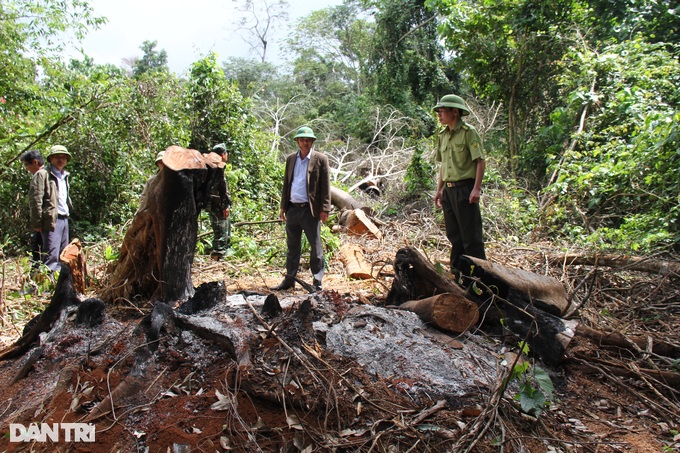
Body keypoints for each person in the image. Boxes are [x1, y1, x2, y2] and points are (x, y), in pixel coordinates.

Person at [271, 126, 331, 291]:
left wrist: (325, 208)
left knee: (315, 247)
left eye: (308, 140)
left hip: (310, 210)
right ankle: (289, 279)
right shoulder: (291, 159)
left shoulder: (320, 159)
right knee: (292, 247)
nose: (305, 142)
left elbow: (325, 186)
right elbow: (287, 184)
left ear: (312, 141)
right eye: (302, 139)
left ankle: (317, 282)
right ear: (297, 141)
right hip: (293, 209)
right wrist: (283, 206)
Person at [432, 95, 486, 274]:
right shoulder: (443, 135)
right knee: (455, 238)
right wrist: (439, 190)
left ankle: (481, 281)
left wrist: (476, 188)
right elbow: (443, 165)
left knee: (471, 240)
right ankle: (458, 277)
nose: (439, 115)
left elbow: (480, 161)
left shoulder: (468, 132)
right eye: (438, 111)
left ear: (455, 112)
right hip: (449, 191)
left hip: (465, 190)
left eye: (442, 111)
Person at [28, 145, 73, 272]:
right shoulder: (42, 174)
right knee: (51, 256)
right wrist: (37, 223)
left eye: (64, 157)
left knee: (63, 255)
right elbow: (35, 199)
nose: (61, 160)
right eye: (57, 157)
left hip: (64, 218)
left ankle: (58, 288)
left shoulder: (64, 175)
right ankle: (47, 288)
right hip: (51, 220)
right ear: (51, 159)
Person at [20, 150, 46, 269]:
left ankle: (38, 277)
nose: (26, 169)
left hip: (44, 220)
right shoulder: (51, 173)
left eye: (26, 165)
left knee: (39, 249)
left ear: (35, 162)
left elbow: (36, 200)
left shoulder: (39, 175)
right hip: (52, 218)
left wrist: (37, 222)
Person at [207, 143, 231, 260]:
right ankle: (218, 259)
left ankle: (220, 257)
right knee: (220, 233)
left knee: (222, 232)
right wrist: (224, 205)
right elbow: (219, 190)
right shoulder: (217, 168)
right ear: (223, 154)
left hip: (214, 205)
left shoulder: (212, 167)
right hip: (217, 206)